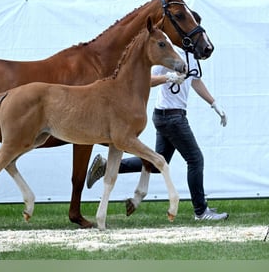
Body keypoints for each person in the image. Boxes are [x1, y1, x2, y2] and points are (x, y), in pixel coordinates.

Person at [86, 49, 229, 221]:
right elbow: (147, 80)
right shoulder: (170, 55)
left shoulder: (191, 56)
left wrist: (214, 104)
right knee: (195, 159)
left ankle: (106, 165)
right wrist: (168, 77)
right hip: (171, 117)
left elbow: (195, 81)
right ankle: (201, 211)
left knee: (157, 162)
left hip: (170, 115)